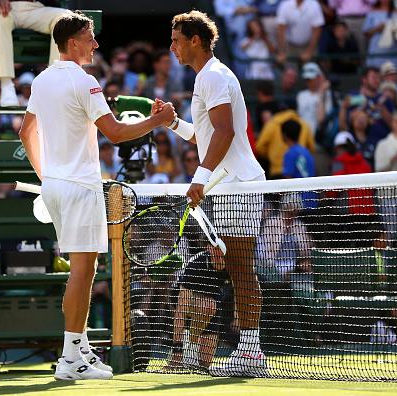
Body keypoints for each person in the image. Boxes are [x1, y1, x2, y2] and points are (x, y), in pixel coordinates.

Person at [17, 11, 175, 380]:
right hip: (78, 187)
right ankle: (70, 359)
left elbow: (26, 133)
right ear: (73, 42)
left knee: (82, 271)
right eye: (90, 37)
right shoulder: (85, 82)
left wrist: (48, 176)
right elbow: (117, 133)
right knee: (83, 272)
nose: (96, 43)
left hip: (56, 186)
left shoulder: (41, 80)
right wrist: (159, 120)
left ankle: (81, 349)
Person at [155, 10, 267, 377]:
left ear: (195, 41)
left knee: (240, 269)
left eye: (176, 40)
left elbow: (224, 134)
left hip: (236, 183)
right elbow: (206, 135)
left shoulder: (214, 75)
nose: (171, 47)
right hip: (229, 184)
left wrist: (199, 179)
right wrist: (171, 122)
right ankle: (250, 350)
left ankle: (251, 353)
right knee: (237, 269)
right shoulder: (207, 77)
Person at [0, 0, 72, 106]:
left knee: (66, 19)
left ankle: (54, 86)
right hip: (5, 7)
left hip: (38, 7)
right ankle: (6, 85)